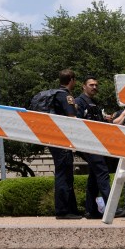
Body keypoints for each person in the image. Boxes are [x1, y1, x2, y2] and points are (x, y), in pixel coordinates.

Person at [74, 76, 111, 219]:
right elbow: (77, 122)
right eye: (91, 85)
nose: (94, 87)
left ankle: (91, 210)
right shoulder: (79, 102)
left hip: (97, 143)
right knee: (102, 171)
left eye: (96, 85)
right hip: (87, 143)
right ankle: (111, 206)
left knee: (95, 176)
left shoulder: (95, 103)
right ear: (84, 86)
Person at [47, 69, 81, 219]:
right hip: (62, 140)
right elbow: (72, 118)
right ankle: (63, 211)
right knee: (63, 175)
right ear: (71, 80)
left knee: (66, 174)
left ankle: (71, 209)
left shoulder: (57, 95)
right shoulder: (65, 96)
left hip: (56, 139)